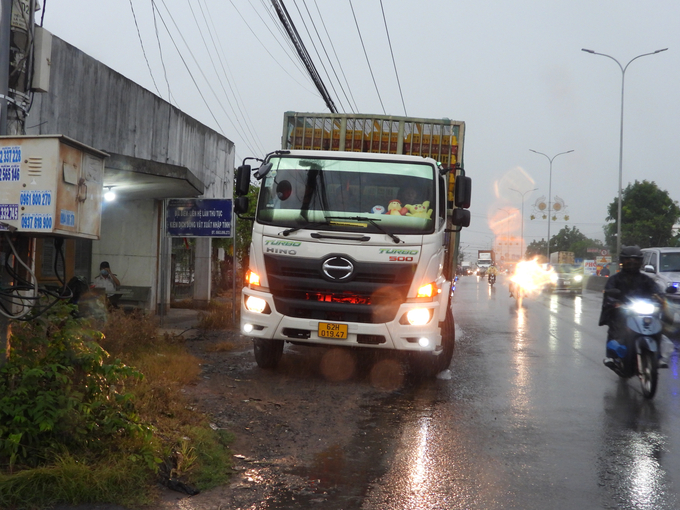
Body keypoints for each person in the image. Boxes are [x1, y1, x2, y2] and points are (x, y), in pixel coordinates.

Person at [598, 246, 661, 368]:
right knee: (616, 327)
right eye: (628, 260)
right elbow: (608, 294)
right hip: (623, 312)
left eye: (635, 260)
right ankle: (612, 356)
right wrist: (615, 303)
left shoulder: (646, 279)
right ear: (622, 261)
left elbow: (656, 291)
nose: (632, 262)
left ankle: (659, 355)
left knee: (658, 325)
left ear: (640, 262)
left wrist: (659, 297)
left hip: (643, 311)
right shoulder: (614, 279)